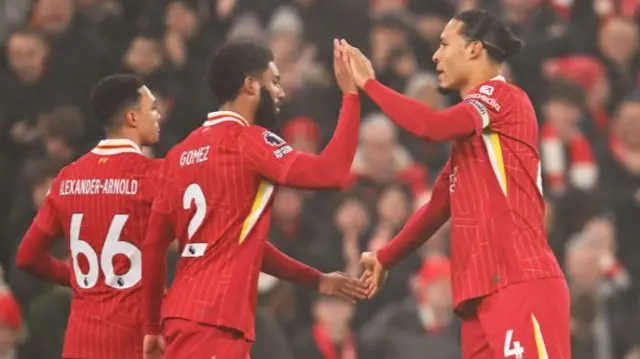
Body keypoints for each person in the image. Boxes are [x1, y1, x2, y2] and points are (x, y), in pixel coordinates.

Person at [347, 9, 570, 359]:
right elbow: (437, 207)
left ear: (474, 49)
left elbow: (432, 127)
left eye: (444, 44)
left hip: (519, 282)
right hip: (478, 299)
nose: (435, 55)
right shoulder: (471, 143)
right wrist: (385, 257)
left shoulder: (505, 99)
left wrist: (371, 86)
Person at [141, 39, 366, 359]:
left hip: (185, 318)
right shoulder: (248, 141)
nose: (281, 93)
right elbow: (331, 173)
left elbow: (155, 246)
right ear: (250, 85)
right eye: (274, 81)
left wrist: (152, 326)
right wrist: (351, 95)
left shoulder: (179, 155)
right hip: (216, 320)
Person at [15, 74, 163, 359]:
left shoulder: (67, 178)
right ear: (132, 117)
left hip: (81, 343)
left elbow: (27, 257)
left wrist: (77, 279)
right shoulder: (155, 176)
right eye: (152, 108)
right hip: (133, 341)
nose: (157, 116)